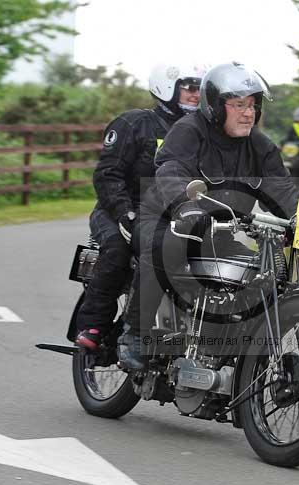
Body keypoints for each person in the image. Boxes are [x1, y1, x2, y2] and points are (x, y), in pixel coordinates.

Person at [116, 62, 299, 371]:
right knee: (166, 247)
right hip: (167, 219)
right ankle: (134, 335)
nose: (248, 113)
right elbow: (172, 169)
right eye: (239, 105)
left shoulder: (260, 146)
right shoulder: (189, 131)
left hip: (219, 232)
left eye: (253, 106)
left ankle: (227, 344)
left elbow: (283, 191)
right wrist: (186, 205)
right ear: (216, 106)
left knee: (262, 272)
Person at [75, 63, 208, 352]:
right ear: (167, 87)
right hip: (118, 212)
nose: (197, 95)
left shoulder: (202, 134)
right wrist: (125, 214)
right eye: (190, 88)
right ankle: (94, 325)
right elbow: (107, 174)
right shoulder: (134, 123)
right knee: (117, 252)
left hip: (172, 216)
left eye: (201, 88)